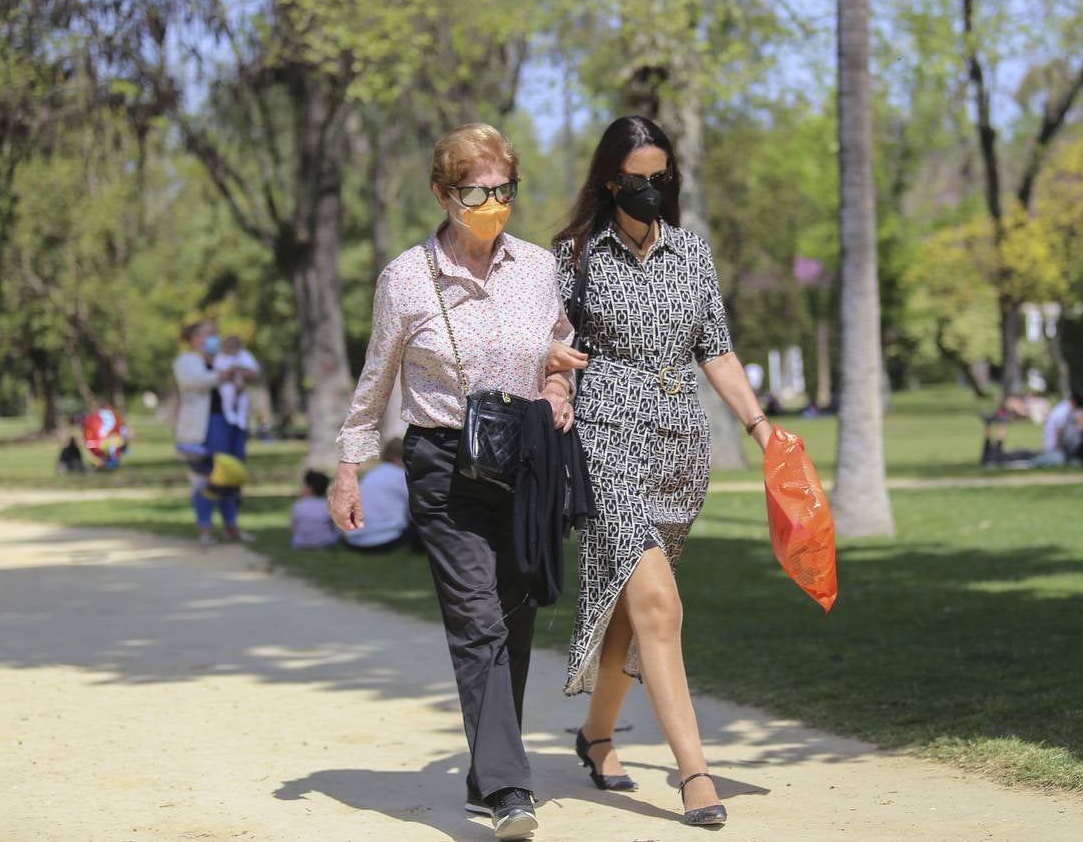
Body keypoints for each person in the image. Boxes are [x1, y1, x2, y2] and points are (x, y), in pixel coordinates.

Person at [329, 123, 573, 841]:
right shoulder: (406, 278)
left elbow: (558, 347)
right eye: (475, 190)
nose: (493, 201)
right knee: (477, 620)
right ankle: (507, 787)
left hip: (526, 458)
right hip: (443, 463)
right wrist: (349, 469)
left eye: (504, 188)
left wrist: (559, 390)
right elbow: (375, 383)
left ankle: (482, 769)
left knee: (516, 610)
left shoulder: (536, 267)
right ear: (442, 193)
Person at [547, 116, 773, 829]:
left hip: (680, 445)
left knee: (628, 602)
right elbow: (548, 345)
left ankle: (597, 735)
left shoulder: (692, 254)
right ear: (611, 180)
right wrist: (553, 374)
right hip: (605, 439)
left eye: (661, 178)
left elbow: (717, 349)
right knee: (659, 605)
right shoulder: (574, 257)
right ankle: (695, 773)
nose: (651, 190)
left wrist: (761, 428)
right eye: (637, 179)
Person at [174, 321, 253, 546]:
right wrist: (223, 376)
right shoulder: (186, 361)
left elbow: (244, 378)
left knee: (233, 474)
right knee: (208, 476)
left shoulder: (224, 360)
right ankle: (205, 527)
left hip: (232, 424)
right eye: (208, 334)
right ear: (195, 338)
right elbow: (197, 382)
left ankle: (231, 525)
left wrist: (239, 377)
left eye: (214, 334)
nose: (213, 338)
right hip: (206, 426)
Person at [341, 438, 419, 554]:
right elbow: (416, 507)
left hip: (355, 539)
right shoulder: (400, 476)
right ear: (399, 458)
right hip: (386, 539)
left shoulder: (371, 474)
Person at [212, 335, 259, 461]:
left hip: (241, 387)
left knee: (243, 401)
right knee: (228, 396)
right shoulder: (221, 357)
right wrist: (233, 373)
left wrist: (239, 371)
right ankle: (230, 414)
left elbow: (253, 371)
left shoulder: (244, 355)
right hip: (227, 387)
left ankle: (241, 418)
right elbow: (219, 373)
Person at [291, 470, 339, 550]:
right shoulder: (328, 506)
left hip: (301, 543)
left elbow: (293, 528)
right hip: (325, 543)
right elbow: (335, 526)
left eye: (303, 485)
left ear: (309, 488)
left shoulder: (298, 505)